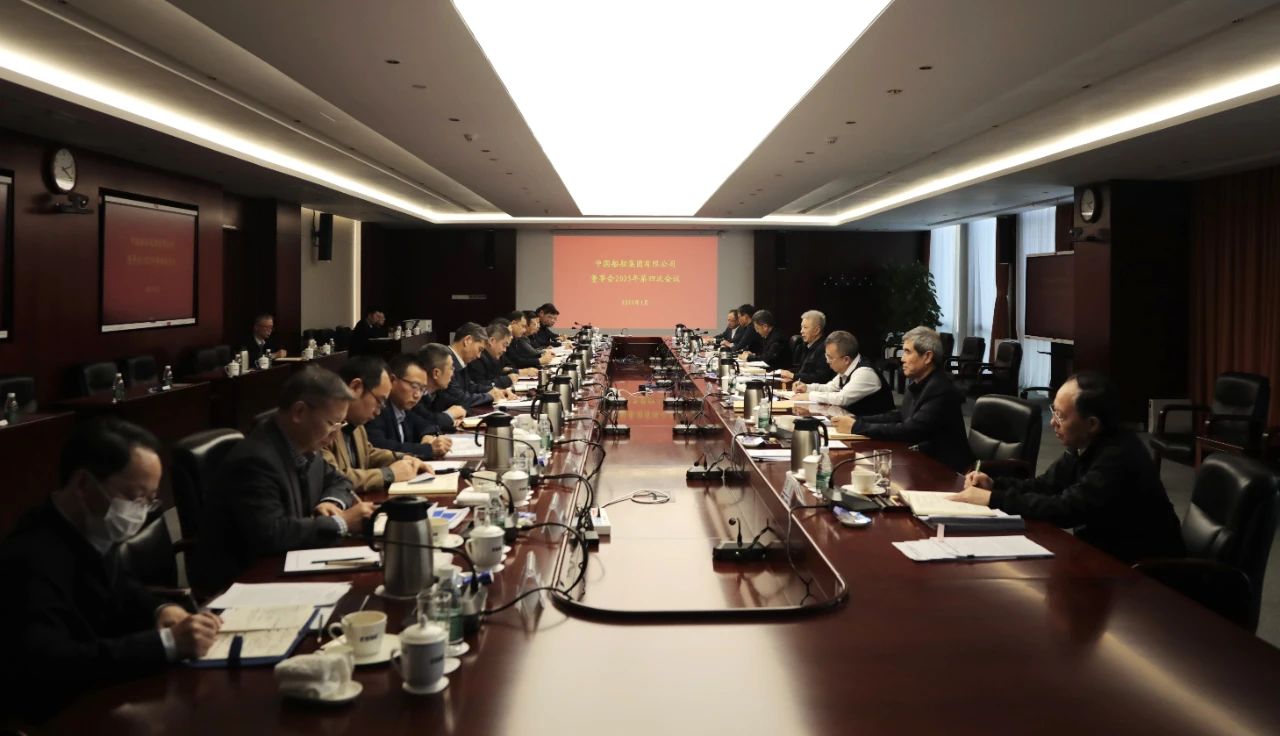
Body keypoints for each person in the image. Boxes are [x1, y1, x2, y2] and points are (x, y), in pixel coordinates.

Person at [0, 418, 223, 720]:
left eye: (149, 500)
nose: (140, 512)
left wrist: (160, 610)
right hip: (60, 713)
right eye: (134, 498)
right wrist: (167, 643)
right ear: (83, 484)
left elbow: (120, 588)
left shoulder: (90, 530)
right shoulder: (29, 557)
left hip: (107, 691)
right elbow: (52, 663)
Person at [947, 373, 1185, 563]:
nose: (1053, 422)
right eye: (1053, 411)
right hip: (1102, 554)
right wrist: (994, 485)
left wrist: (993, 499)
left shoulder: (1118, 456)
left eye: (1060, 416)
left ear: (1092, 424)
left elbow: (1066, 509)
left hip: (1143, 571)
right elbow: (1046, 486)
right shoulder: (1084, 443)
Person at [197, 365, 373, 588]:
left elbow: (340, 480)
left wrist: (331, 502)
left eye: (341, 424)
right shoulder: (255, 460)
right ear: (299, 412)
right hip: (248, 582)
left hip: (290, 564)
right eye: (331, 424)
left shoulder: (303, 446)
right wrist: (341, 522)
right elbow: (272, 533)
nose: (335, 435)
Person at [833, 326, 972, 472]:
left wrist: (857, 427)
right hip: (921, 461)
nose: (902, 359)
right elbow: (900, 416)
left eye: (907, 352)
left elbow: (910, 430)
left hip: (945, 471)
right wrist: (857, 419)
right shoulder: (918, 382)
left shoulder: (940, 389)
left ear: (927, 357)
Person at [320, 355, 433, 494]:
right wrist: (389, 474)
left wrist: (403, 458)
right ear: (355, 387)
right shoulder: (322, 425)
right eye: (379, 401)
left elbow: (368, 454)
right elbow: (334, 478)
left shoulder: (356, 422)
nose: (379, 411)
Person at [368, 353, 454, 460]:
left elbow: (425, 424)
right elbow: (380, 446)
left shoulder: (405, 409)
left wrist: (428, 435)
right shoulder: (377, 409)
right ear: (392, 380)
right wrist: (428, 449)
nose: (417, 395)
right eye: (414, 386)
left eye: (422, 389)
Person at [794, 331, 894, 414]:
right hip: (857, 423)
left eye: (830, 357)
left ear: (846, 360)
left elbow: (842, 398)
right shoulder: (848, 368)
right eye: (826, 356)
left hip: (877, 428)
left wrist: (809, 396)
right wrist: (807, 388)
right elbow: (831, 387)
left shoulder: (865, 373)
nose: (827, 361)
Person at [433, 322, 515, 410]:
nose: (479, 356)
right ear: (467, 340)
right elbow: (458, 398)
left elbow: (470, 386)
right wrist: (489, 396)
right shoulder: (445, 360)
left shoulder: (459, 360)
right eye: (480, 349)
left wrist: (494, 390)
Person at [414, 343, 468, 436]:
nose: (453, 374)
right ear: (436, 373)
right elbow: (427, 423)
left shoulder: (439, 392)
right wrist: (450, 415)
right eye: (451, 368)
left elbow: (462, 402)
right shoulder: (414, 396)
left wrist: (460, 413)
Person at [780, 310, 835, 385]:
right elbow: (802, 370)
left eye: (805, 328)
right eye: (801, 327)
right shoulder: (806, 345)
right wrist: (786, 372)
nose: (801, 331)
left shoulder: (824, 348)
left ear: (817, 330)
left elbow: (820, 378)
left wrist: (793, 376)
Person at [468, 320, 517, 391]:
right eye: (504, 345)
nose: (505, 350)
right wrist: (507, 380)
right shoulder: (477, 357)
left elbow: (495, 376)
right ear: (491, 341)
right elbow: (480, 385)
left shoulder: (493, 356)